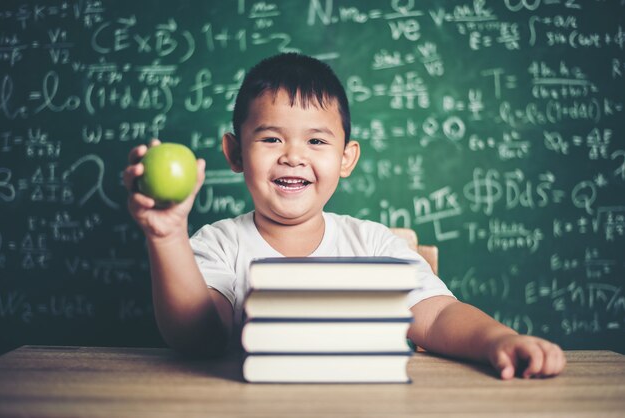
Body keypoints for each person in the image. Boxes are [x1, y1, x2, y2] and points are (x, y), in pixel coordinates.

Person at [123, 53, 566, 380]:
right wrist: (168, 238)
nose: (293, 156)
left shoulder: (372, 245)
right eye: (271, 139)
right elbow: (198, 336)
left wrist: (497, 340)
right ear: (235, 153)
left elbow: (436, 316)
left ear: (346, 158)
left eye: (316, 142)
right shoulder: (219, 243)